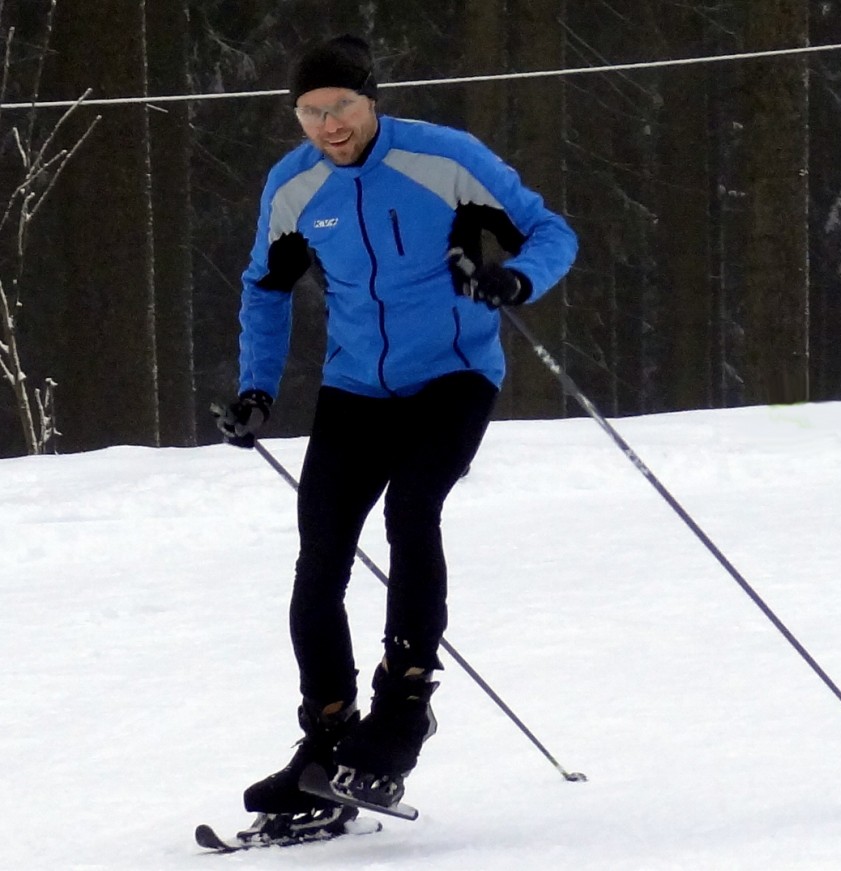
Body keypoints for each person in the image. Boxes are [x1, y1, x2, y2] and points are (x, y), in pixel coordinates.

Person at [214, 34, 577, 840]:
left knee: (412, 512)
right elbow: (264, 290)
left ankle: (403, 711)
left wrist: (514, 278)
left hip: (452, 374)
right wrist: (256, 388)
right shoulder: (294, 186)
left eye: (340, 106)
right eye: (310, 112)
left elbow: (550, 231)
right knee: (320, 557)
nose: (328, 125)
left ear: (372, 98)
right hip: (356, 386)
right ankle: (329, 736)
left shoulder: (444, 158)